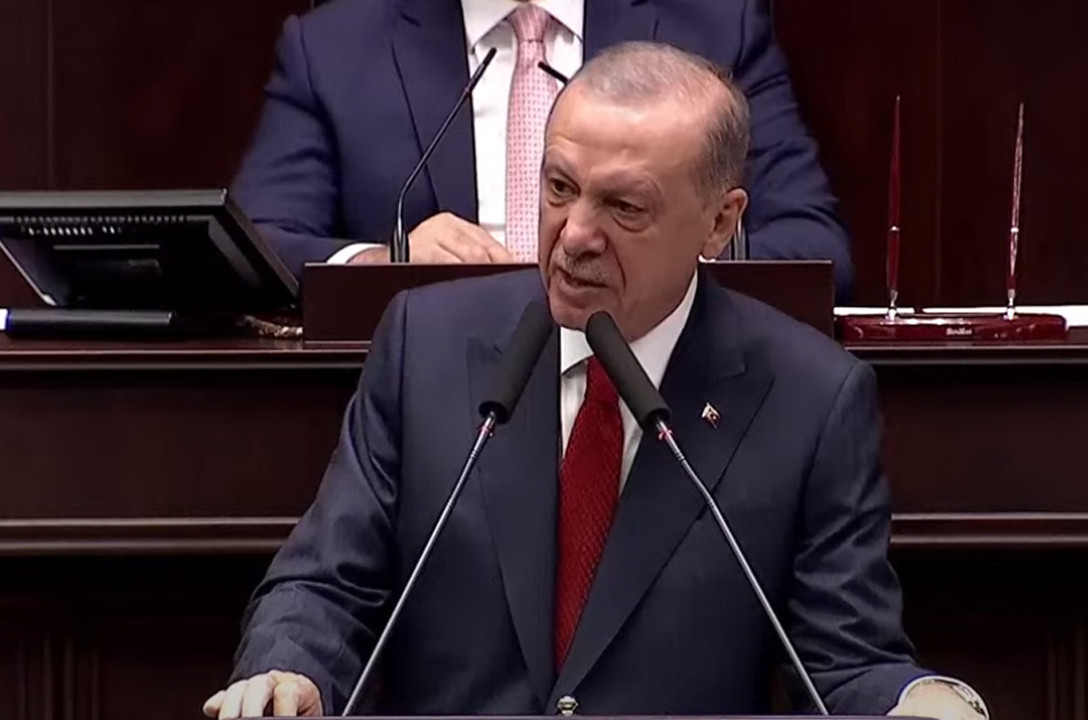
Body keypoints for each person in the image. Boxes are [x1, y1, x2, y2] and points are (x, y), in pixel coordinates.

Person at [205, 43, 985, 720]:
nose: (575, 234)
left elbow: (847, 662)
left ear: (721, 222)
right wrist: (289, 670)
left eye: (624, 207)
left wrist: (924, 698)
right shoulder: (426, 345)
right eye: (559, 188)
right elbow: (327, 584)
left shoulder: (810, 397)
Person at [231, 0, 857, 300]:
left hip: (661, 389)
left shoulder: (714, 29)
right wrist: (386, 262)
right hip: (436, 397)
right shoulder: (334, 47)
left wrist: (651, 269)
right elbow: (253, 244)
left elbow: (814, 250)